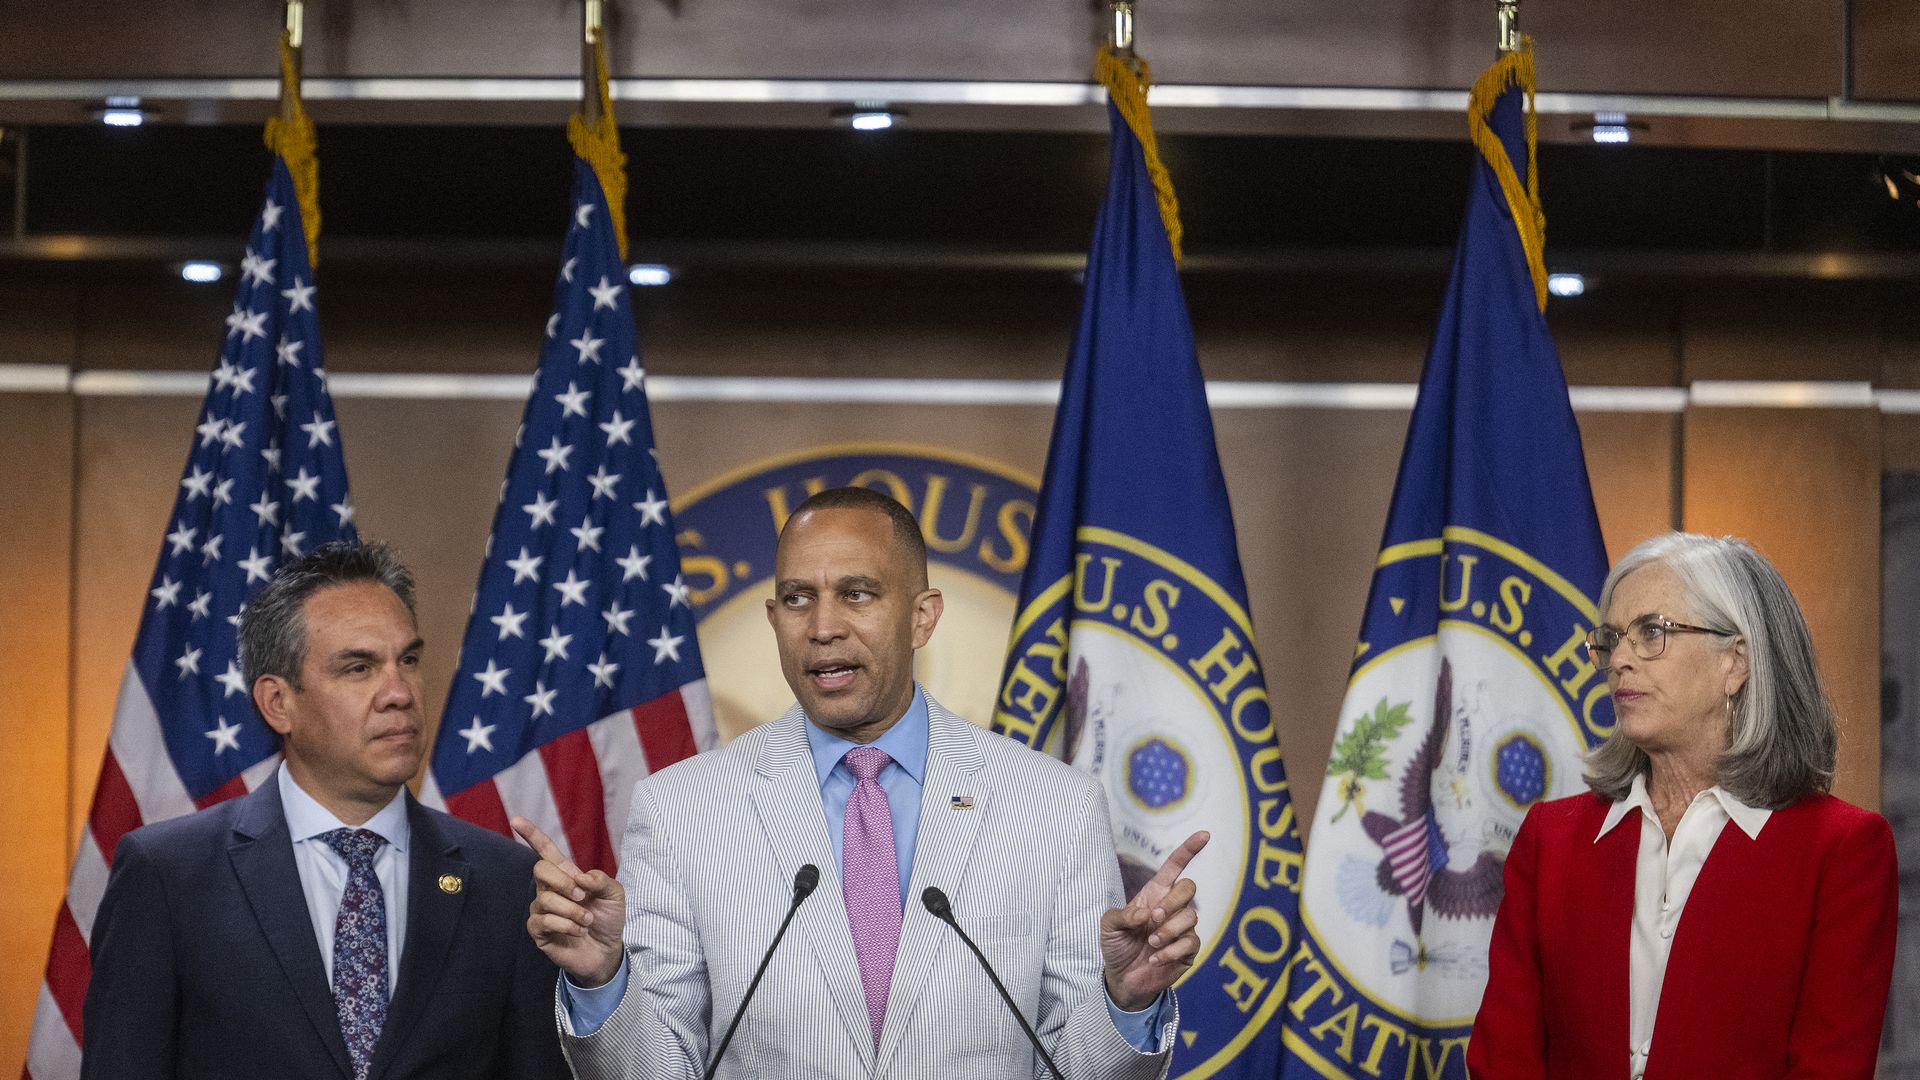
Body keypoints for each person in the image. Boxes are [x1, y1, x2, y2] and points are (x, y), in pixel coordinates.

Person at [517, 486, 1208, 1079]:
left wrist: (1126, 997)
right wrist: (603, 980)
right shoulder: (682, 810)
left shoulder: (1051, 807)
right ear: (774, 618)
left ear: (922, 616)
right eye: (797, 598)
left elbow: (1077, 1071)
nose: (822, 627)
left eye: (857, 594)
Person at [82, 542, 571, 1080]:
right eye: (359, 668)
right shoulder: (169, 875)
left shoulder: (506, 882)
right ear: (278, 703)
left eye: (408, 660)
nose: (399, 693)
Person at [1467, 532, 1898, 1080]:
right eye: (1612, 638)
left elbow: (1829, 1067)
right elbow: (1504, 1062)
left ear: (1735, 662)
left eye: (1652, 633)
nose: (1619, 660)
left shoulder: (1841, 850)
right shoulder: (1550, 841)